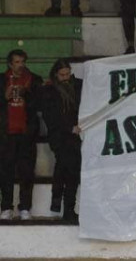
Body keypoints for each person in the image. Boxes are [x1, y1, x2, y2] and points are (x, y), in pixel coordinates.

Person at [0, 50, 42, 221]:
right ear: (10, 64)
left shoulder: (34, 80)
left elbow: (40, 104)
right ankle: (6, 207)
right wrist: (4, 97)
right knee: (5, 172)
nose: (20, 65)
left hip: (26, 134)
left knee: (27, 173)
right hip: (6, 134)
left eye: (23, 61)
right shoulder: (1, 80)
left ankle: (25, 207)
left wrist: (28, 94)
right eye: (17, 62)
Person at [39, 59, 82, 220]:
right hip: (60, 137)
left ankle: (63, 207)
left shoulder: (75, 86)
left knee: (69, 172)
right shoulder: (49, 91)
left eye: (67, 74)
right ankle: (67, 208)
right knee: (69, 172)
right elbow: (51, 117)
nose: (65, 77)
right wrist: (69, 128)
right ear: (56, 75)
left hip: (72, 137)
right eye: (62, 75)